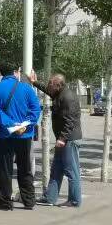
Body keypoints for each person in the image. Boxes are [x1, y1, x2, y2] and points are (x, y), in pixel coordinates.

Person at [0, 61, 41, 210]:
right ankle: (29, 201)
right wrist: (24, 125)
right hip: (24, 135)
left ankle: (5, 203)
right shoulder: (27, 88)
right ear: (16, 72)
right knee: (25, 168)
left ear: (1, 73)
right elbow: (35, 110)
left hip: (6, 135)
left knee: (5, 169)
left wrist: (11, 125)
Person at [28, 72, 83, 207]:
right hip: (63, 140)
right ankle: (50, 198)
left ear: (58, 85)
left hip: (69, 140)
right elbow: (48, 91)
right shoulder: (59, 93)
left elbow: (70, 121)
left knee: (72, 171)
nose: (48, 86)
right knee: (56, 169)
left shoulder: (67, 97)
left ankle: (74, 201)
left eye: (50, 84)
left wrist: (62, 138)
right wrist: (34, 82)